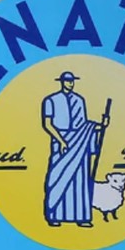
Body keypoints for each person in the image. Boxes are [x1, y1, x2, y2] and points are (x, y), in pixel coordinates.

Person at [42, 71, 109, 227]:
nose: (70, 83)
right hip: (60, 139)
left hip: (80, 141)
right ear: (62, 82)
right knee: (58, 177)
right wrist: (61, 141)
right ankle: (54, 214)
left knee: (80, 180)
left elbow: (84, 125)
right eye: (67, 81)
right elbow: (47, 124)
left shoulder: (79, 100)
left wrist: (101, 125)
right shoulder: (51, 100)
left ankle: (81, 217)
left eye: (72, 81)